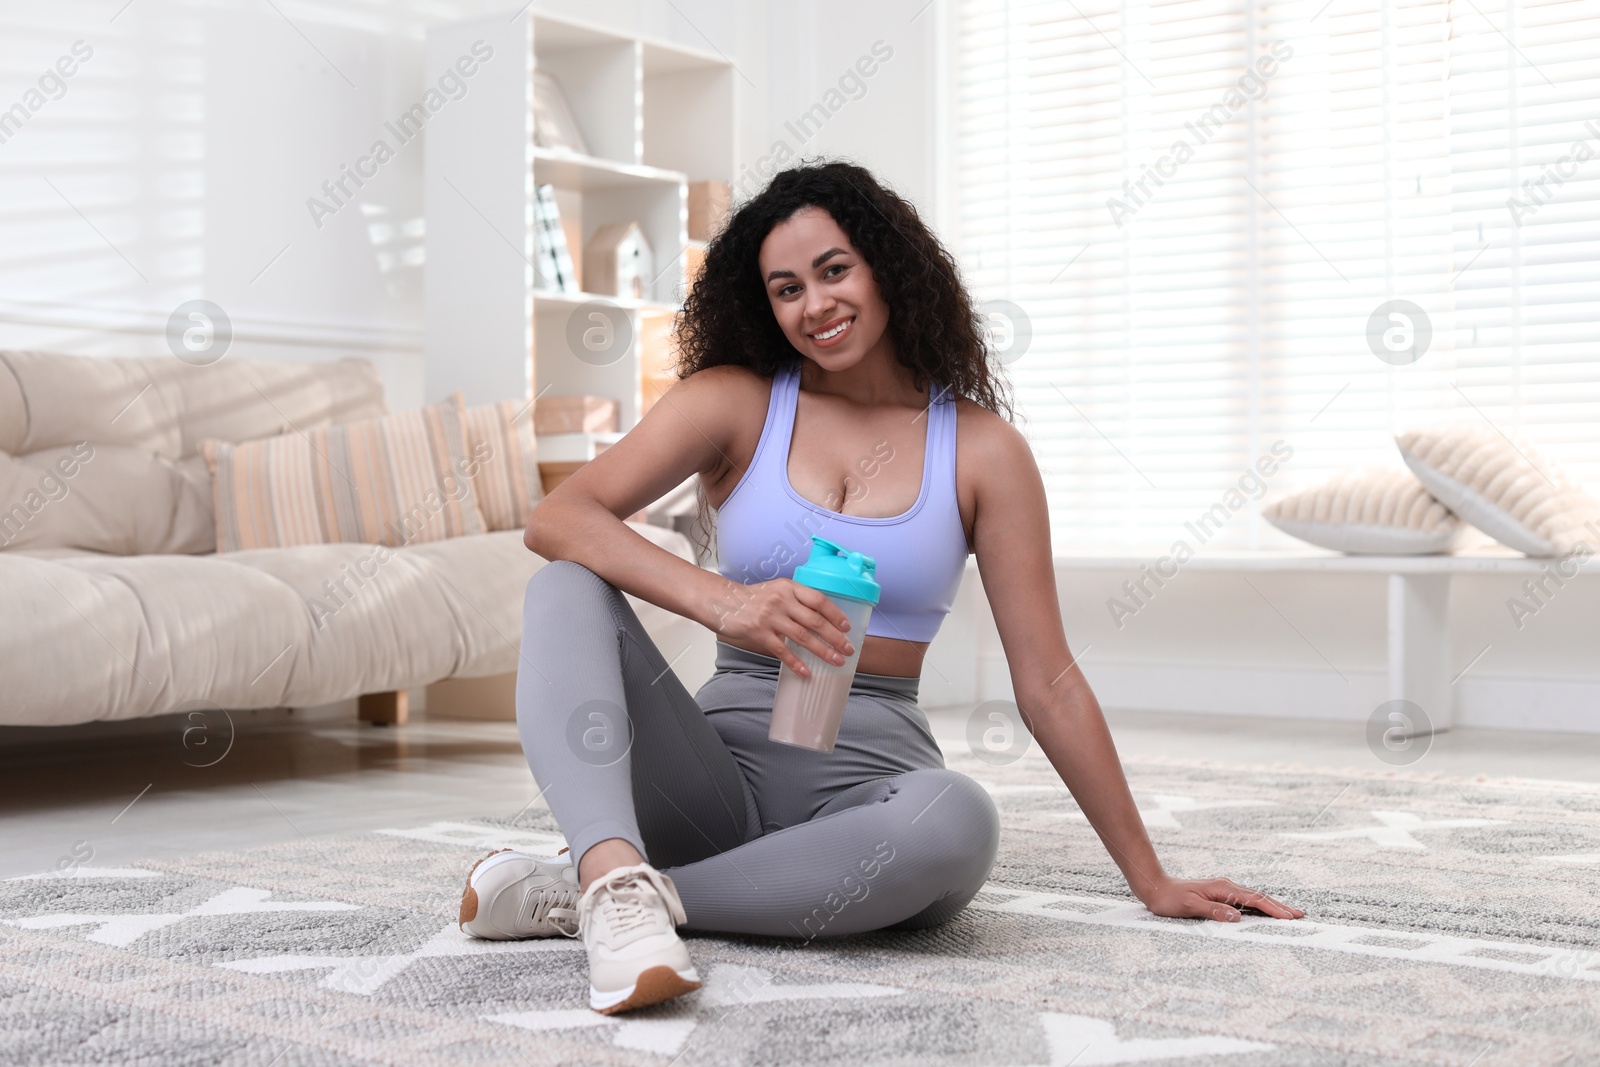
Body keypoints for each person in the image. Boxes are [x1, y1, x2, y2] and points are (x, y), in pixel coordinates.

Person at [456, 159, 1305, 1016]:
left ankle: (622, 895)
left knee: (960, 820)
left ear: (889, 267)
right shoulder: (736, 403)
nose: (814, 305)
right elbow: (559, 516)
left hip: (865, 794)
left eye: (835, 270)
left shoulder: (982, 450)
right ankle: (613, 875)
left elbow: (1047, 680)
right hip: (709, 780)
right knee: (566, 585)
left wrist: (1149, 875)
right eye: (786, 288)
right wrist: (728, 603)